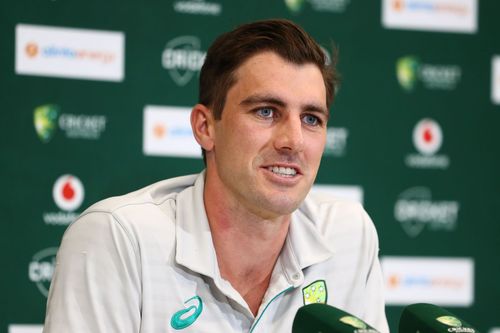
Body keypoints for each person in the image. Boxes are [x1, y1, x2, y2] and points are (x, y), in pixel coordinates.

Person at [43, 19, 389, 333]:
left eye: (311, 119)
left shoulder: (349, 235)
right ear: (205, 127)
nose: (294, 141)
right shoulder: (118, 239)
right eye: (266, 112)